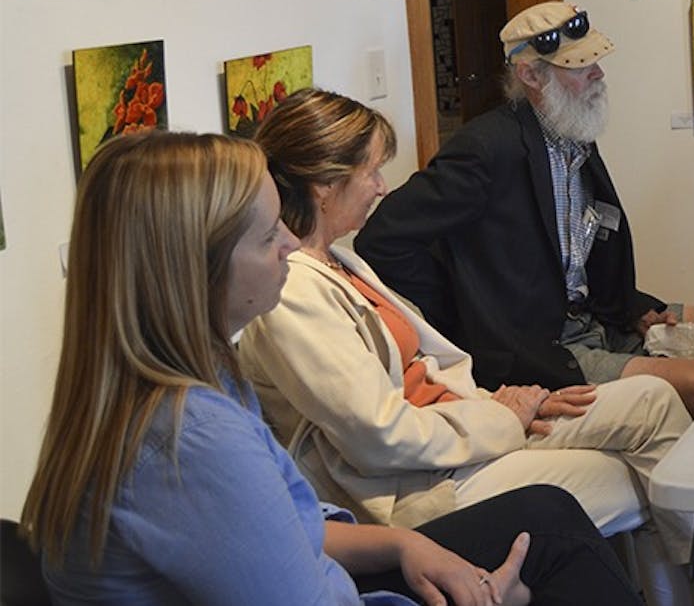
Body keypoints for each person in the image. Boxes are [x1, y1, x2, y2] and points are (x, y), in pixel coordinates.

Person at [19, 131, 643, 606]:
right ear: (194, 271)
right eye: (267, 237)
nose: (290, 245)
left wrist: (404, 546)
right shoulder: (191, 439)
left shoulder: (180, 389)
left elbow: (292, 525)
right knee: (554, 541)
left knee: (547, 513)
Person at [242, 88, 694, 606]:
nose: (382, 187)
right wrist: (504, 418)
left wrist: (524, 404)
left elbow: (439, 370)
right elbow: (380, 438)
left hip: (466, 431)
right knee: (650, 479)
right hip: (419, 484)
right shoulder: (292, 291)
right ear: (325, 187)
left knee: (652, 401)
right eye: (371, 173)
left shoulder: (343, 262)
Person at [355, 1, 694, 416]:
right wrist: (462, 312)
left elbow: (591, 242)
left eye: (596, 61)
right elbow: (383, 239)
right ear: (531, 75)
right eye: (580, 65)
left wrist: (635, 311)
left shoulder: (573, 129)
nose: (598, 74)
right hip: (542, 345)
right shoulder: (485, 149)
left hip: (599, 314)